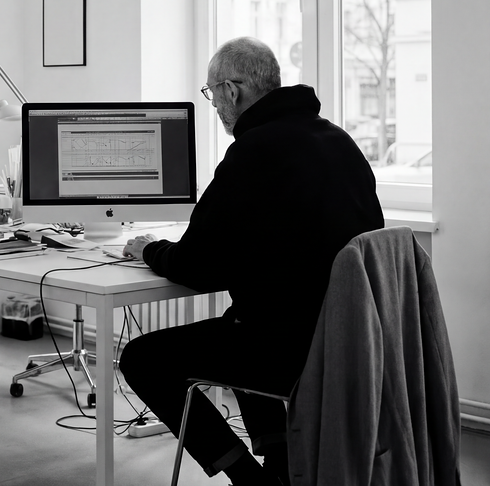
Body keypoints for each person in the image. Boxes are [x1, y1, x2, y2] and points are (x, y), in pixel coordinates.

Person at [118, 37, 384, 486]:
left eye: (211, 94)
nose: (215, 106)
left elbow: (197, 266)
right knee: (240, 319)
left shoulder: (254, 151)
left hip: (295, 349)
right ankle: (280, 462)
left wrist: (148, 250)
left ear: (232, 90)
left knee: (142, 358)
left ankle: (247, 478)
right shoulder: (336, 139)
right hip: (356, 336)